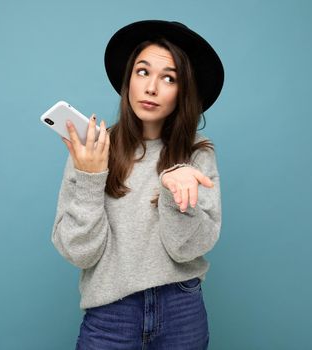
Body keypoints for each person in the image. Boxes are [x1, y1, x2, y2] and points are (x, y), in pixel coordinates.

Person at [51, 20, 224, 349]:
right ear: (128, 78)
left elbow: (188, 248)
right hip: (110, 313)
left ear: (183, 91)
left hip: (181, 309)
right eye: (143, 72)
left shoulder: (198, 154)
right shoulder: (92, 149)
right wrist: (90, 176)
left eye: (168, 78)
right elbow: (79, 253)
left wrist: (176, 194)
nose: (151, 88)